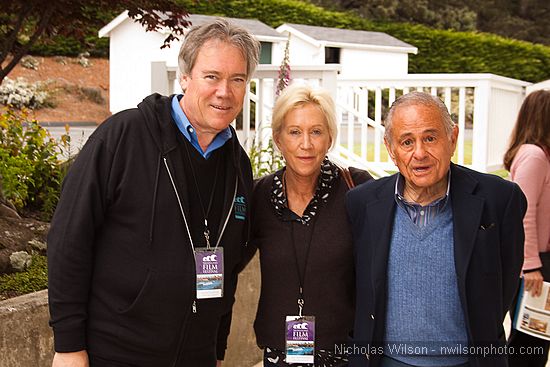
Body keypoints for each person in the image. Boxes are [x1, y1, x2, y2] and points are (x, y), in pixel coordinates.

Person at [47, 19, 260, 367]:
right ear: (185, 77)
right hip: (116, 353)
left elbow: (229, 266)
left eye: (237, 79)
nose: (225, 91)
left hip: (196, 356)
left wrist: (216, 348)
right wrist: (69, 346)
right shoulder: (124, 137)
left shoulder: (238, 164)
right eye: (212, 76)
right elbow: (70, 238)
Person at [346, 91, 527, 367]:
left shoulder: (499, 199)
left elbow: (505, 284)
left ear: (452, 138)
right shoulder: (362, 202)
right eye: (407, 142)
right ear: (391, 148)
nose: (419, 153)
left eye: (430, 138)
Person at [250, 84, 372, 367]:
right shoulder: (259, 196)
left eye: (316, 132)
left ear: (329, 138)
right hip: (279, 355)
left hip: (343, 356)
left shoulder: (357, 189)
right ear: (278, 139)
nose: (306, 144)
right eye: (294, 132)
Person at [504, 89, 550, 367]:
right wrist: (531, 265)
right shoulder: (534, 156)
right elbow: (524, 212)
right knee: (530, 344)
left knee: (536, 341)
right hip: (535, 266)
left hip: (538, 262)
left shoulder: (537, 154)